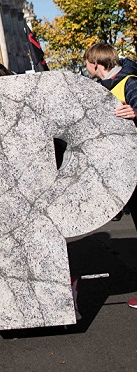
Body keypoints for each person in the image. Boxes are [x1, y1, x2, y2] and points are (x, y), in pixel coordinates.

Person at [83, 42, 137, 309]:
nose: (85, 67)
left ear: (95, 63)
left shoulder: (128, 82)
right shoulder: (104, 87)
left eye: (86, 63)